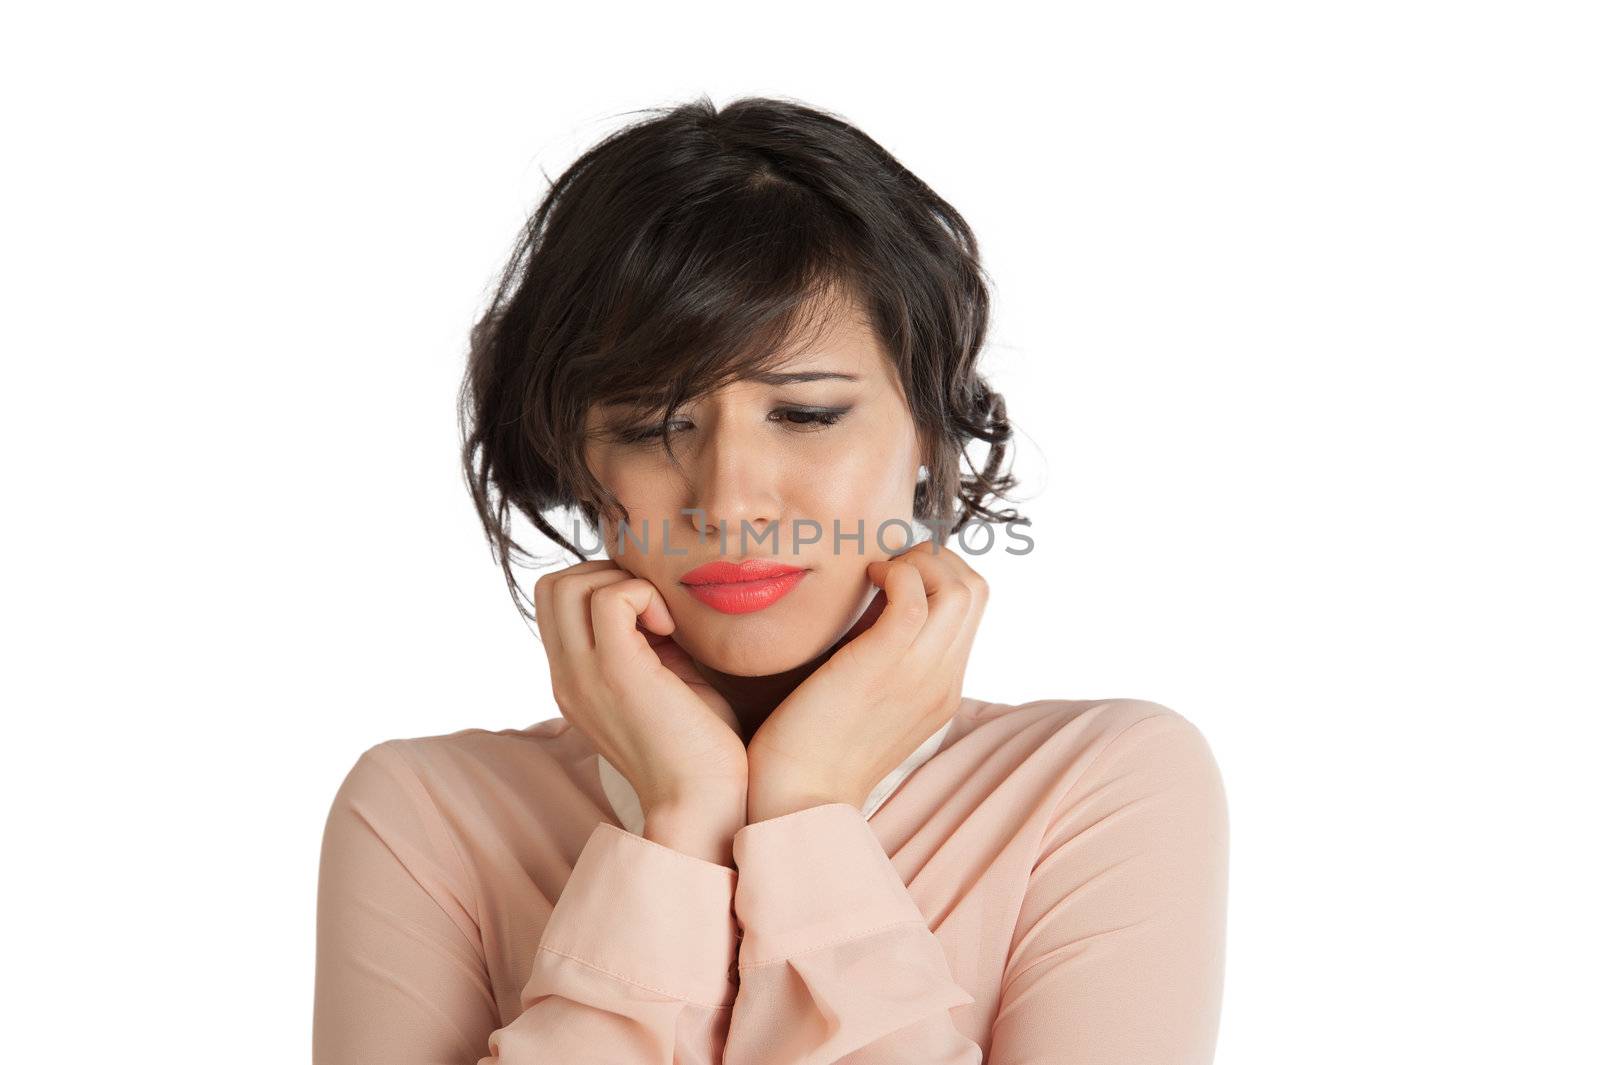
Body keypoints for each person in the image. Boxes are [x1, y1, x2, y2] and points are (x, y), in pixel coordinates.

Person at [312, 94, 1229, 1064]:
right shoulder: (428, 812)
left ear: (925, 428)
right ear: (577, 458)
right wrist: (679, 819)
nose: (730, 501)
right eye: (649, 426)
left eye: (804, 415)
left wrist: (807, 807)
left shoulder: (1097, 787)